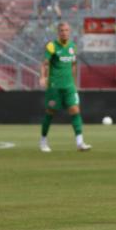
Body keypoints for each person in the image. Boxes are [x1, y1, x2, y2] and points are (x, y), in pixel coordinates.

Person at [39, 22, 91, 153]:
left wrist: (73, 82)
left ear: (70, 32)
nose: (64, 33)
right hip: (54, 86)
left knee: (75, 110)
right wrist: (43, 77)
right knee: (50, 112)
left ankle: (80, 143)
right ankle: (43, 140)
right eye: (62, 30)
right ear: (58, 32)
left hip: (69, 86)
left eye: (67, 30)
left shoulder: (73, 46)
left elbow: (73, 64)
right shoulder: (52, 46)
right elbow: (44, 64)